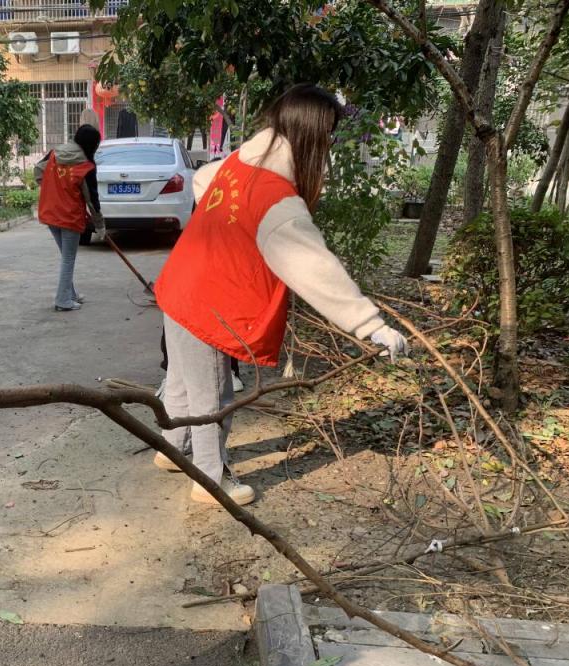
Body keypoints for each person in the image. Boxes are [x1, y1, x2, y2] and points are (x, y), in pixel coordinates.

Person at [152, 84, 408, 506]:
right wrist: (371, 325)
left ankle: (172, 449)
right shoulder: (276, 200)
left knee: (182, 382)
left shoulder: (239, 161)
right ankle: (210, 480)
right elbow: (315, 267)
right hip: (207, 305)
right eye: (328, 134)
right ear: (313, 134)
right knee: (212, 395)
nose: (329, 145)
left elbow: (202, 179)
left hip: (178, 284)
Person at [35, 124, 105, 311]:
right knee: (68, 259)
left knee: (66, 257)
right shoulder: (86, 166)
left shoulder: (55, 154)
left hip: (50, 212)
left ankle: (69, 294)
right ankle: (62, 300)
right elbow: (92, 200)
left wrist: (53, 188)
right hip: (69, 217)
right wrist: (100, 225)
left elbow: (38, 171)